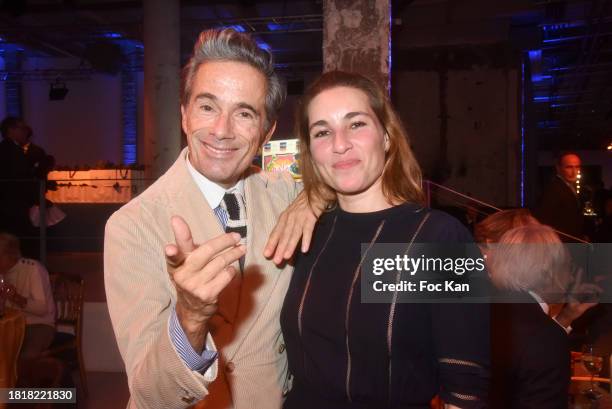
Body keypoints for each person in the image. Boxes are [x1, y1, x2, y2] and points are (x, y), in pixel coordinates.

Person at [104, 28, 318, 409]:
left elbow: (355, 179)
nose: (222, 130)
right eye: (207, 107)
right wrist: (189, 319)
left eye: (244, 113)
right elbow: (151, 394)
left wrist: (315, 198)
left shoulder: (286, 192)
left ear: (267, 132)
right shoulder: (131, 226)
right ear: (185, 115)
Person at [280, 71, 490, 409]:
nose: (339, 143)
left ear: (387, 136)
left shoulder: (440, 239)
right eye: (322, 132)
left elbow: (465, 387)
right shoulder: (309, 233)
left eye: (356, 124)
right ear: (310, 151)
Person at [486, 224, 573, 409]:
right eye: (567, 266)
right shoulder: (547, 336)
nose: (570, 277)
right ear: (549, 272)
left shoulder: (478, 311)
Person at [0, 232, 56, 361]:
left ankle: (22, 380)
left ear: (10, 255)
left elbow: (42, 309)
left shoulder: (33, 269)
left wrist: (15, 298)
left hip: (38, 325)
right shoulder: (2, 274)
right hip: (11, 325)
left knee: (23, 357)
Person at [535, 152, 585, 242]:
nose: (574, 172)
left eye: (577, 167)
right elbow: (543, 219)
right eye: (569, 167)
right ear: (558, 168)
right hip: (561, 243)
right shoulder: (554, 189)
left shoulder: (566, 186)